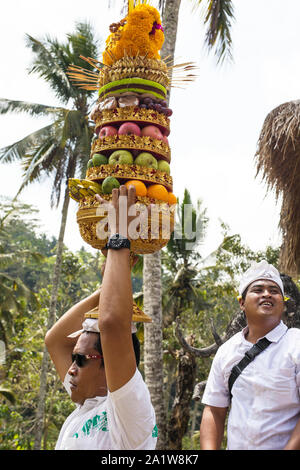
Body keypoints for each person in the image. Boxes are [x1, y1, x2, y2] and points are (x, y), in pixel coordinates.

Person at [45, 185, 157, 450]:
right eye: (75, 359)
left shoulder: (127, 410)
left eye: (81, 360)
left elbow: (112, 325)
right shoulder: (85, 407)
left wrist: (120, 235)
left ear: (112, 366)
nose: (71, 368)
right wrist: (106, 286)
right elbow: (55, 340)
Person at [200, 260, 300, 450]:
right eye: (258, 289)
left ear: (283, 302)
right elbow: (214, 410)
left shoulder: (296, 344)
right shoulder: (227, 351)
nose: (267, 294)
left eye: (274, 290)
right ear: (242, 303)